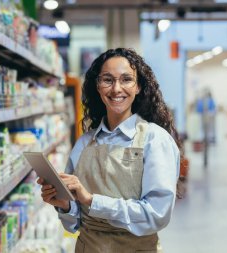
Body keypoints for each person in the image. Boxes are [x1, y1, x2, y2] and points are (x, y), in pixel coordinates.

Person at [37, 48, 182, 252]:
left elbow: (156, 214)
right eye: (107, 80)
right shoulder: (84, 143)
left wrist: (92, 200)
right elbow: (74, 223)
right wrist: (65, 205)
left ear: (138, 86)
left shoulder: (155, 139)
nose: (116, 89)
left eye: (126, 79)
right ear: (98, 86)